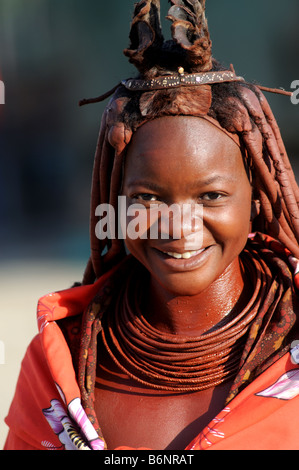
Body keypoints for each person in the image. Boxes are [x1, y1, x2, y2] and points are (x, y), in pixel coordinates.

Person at [4, 0, 299, 450]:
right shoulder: (57, 362)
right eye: (147, 198)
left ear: (256, 199)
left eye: (211, 196)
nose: (178, 225)